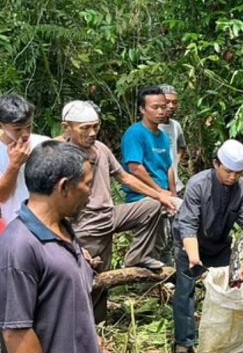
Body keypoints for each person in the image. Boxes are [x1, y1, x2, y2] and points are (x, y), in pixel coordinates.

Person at [0, 141, 128, 353]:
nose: (90, 193)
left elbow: (69, 296)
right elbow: (15, 329)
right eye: (87, 185)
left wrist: (91, 336)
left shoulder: (64, 229)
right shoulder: (19, 247)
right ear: (63, 187)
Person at [61, 101, 179, 322]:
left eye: (95, 126)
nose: (92, 133)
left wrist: (160, 195)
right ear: (67, 128)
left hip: (110, 214)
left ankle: (138, 256)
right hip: (86, 224)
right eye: (84, 128)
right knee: (95, 279)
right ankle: (91, 327)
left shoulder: (102, 149)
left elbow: (125, 177)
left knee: (153, 206)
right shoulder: (62, 156)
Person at [172, 139, 243, 353]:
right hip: (190, 243)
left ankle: (227, 343)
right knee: (185, 293)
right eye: (228, 171)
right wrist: (193, 258)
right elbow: (188, 224)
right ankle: (183, 345)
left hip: (220, 245)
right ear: (216, 164)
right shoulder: (198, 184)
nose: (232, 177)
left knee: (230, 290)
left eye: (238, 173)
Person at [121, 86, 175, 203]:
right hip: (142, 197)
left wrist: (174, 195)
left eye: (163, 107)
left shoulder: (164, 136)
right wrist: (159, 192)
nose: (160, 112)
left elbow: (169, 168)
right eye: (155, 107)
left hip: (164, 195)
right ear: (142, 109)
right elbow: (135, 168)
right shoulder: (135, 133)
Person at [0, 94, 48, 224]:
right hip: (13, 224)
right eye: (17, 129)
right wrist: (15, 164)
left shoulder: (42, 144)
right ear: (2, 126)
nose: (25, 134)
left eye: (29, 127)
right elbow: (2, 197)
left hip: (46, 222)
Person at [158, 85, 187, 195]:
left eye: (174, 102)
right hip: (158, 188)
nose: (171, 106)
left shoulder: (176, 126)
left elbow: (182, 147)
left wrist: (175, 161)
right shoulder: (151, 128)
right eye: (167, 101)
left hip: (176, 186)